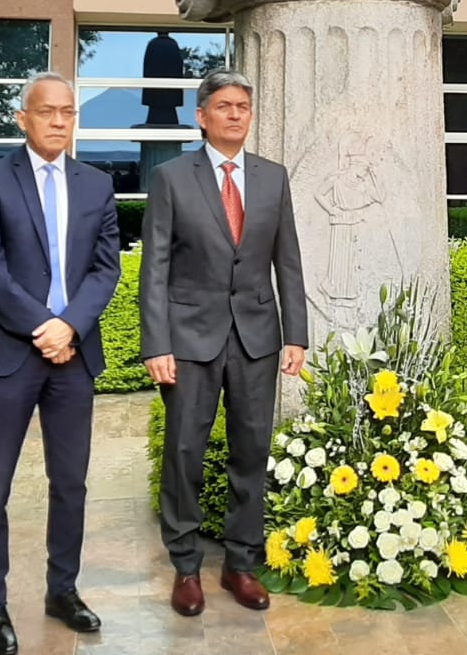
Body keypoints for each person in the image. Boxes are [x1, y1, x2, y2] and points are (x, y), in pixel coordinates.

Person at [0, 73, 122, 651]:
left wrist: (69, 325)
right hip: (9, 351)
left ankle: (63, 589)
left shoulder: (97, 184)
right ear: (22, 118)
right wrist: (40, 325)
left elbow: (106, 269)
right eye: (45, 111)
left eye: (67, 112)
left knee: (70, 480)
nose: (57, 120)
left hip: (73, 356)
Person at [139, 69, 309, 617]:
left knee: (251, 452)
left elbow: (288, 261)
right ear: (202, 115)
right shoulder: (170, 178)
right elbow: (156, 267)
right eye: (225, 105)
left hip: (257, 337)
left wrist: (297, 336)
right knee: (185, 451)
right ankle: (186, 566)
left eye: (243, 106)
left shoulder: (272, 177)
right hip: (188, 340)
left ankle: (241, 563)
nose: (236, 113)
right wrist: (155, 343)